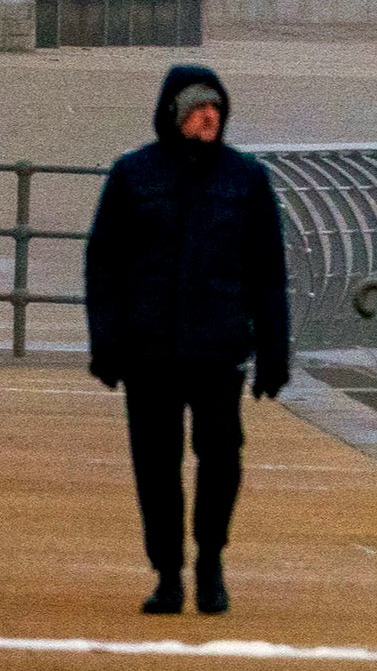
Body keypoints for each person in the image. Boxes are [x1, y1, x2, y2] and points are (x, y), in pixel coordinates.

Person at [83, 65, 290, 617]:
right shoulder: (133, 175)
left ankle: (211, 562)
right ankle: (168, 574)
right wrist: (104, 342)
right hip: (147, 349)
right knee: (155, 464)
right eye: (199, 108)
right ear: (174, 114)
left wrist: (275, 352)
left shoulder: (246, 179)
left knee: (221, 458)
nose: (210, 116)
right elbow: (103, 265)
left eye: (217, 108)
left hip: (219, 349)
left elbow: (269, 273)